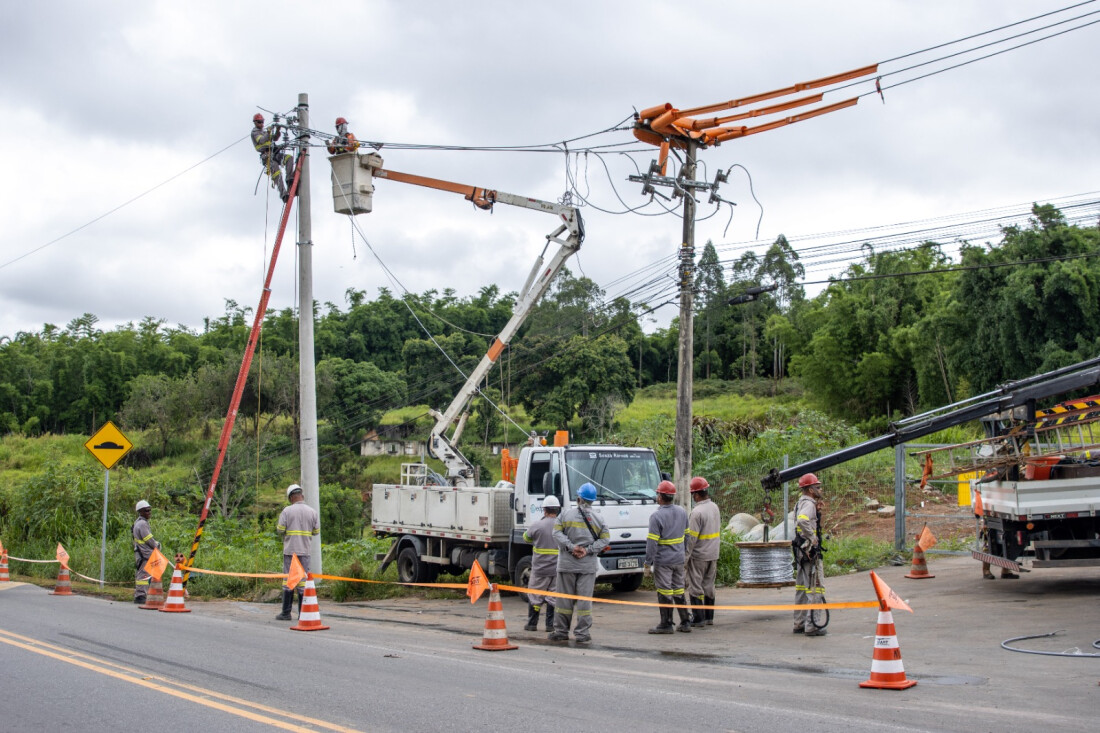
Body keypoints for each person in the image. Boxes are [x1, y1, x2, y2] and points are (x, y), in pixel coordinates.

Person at [550, 482, 609, 643]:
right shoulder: (599, 518)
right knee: (584, 601)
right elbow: (605, 540)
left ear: (578, 498)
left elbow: (556, 533)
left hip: (567, 564)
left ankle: (561, 631)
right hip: (587, 565)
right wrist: (588, 550)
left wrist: (571, 547)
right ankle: (582, 634)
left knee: (563, 599)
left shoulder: (565, 515)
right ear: (592, 500)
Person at [645, 480, 692, 634]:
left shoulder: (656, 516)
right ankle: (685, 622)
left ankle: (666, 624)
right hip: (678, 559)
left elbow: (652, 543)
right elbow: (686, 536)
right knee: (678, 590)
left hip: (663, 561)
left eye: (657, 493)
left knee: (665, 591)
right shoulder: (682, 512)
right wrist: (683, 553)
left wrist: (647, 563)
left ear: (660, 497)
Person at [275, 483, 320, 621]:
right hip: (304, 552)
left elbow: (280, 529)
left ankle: (286, 612)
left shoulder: (287, 511)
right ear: (302, 496)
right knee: (303, 583)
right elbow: (316, 532)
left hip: (290, 551)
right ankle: (303, 613)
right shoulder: (312, 512)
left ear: (290, 498)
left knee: (289, 581)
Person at [793, 473, 827, 636]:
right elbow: (802, 521)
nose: (820, 489)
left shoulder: (802, 502)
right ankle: (811, 626)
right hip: (808, 552)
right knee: (816, 588)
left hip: (801, 551)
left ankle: (799, 623)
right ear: (810, 489)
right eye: (817, 487)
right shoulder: (808, 504)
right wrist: (813, 539)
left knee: (801, 587)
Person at [685, 476, 721, 628]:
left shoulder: (697, 512)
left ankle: (698, 618)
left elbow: (691, 539)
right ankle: (709, 617)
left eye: (693, 494)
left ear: (697, 495)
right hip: (713, 553)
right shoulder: (714, 507)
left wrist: (685, 558)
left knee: (695, 586)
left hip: (699, 555)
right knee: (709, 586)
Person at [522, 495, 559, 631]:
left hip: (539, 568)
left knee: (535, 595)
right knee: (553, 596)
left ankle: (532, 624)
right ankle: (550, 625)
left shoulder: (537, 525)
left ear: (544, 510)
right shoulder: (561, 526)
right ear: (557, 510)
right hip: (555, 569)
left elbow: (526, 538)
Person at [251, 113, 295, 203]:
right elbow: (262, 140)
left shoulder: (264, 131)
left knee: (289, 158)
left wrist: (278, 130)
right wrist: (268, 131)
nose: (262, 124)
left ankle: (289, 178)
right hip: (267, 156)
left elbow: (274, 138)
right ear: (255, 122)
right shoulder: (254, 132)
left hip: (275, 152)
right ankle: (283, 194)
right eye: (259, 122)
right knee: (277, 174)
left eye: (262, 122)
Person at [132, 500, 160, 604]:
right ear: (141, 512)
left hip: (144, 553)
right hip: (144, 554)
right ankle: (140, 596)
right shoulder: (142, 524)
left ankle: (145, 593)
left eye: (149, 510)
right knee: (143, 575)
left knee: (146, 574)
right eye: (146, 510)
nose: (149, 512)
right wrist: (156, 545)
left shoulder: (139, 522)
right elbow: (148, 539)